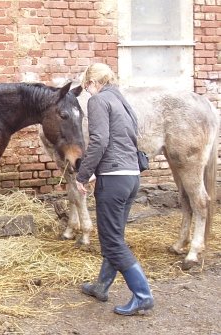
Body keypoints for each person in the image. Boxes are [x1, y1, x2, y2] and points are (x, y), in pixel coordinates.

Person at [75, 63, 154, 316]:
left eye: (87, 86)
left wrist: (83, 174)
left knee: (110, 241)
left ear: (92, 82)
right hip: (131, 177)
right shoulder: (123, 101)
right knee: (115, 236)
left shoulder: (99, 101)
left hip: (114, 178)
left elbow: (99, 140)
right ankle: (101, 286)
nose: (87, 91)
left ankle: (143, 295)